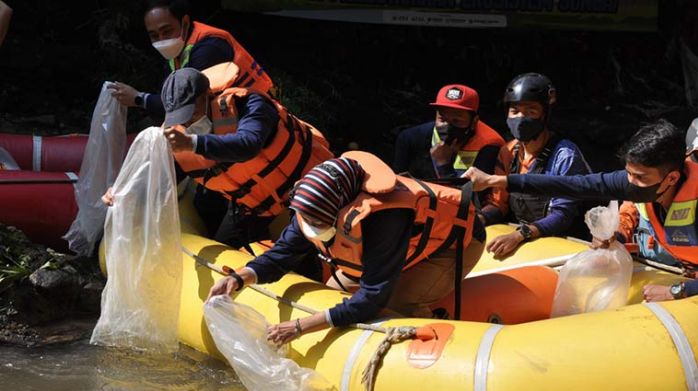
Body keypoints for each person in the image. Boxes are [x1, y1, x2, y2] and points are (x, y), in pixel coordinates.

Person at [207, 152, 486, 345]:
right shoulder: (310, 206)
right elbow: (281, 255)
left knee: (394, 304)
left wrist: (301, 326)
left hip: (453, 243)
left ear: (339, 210)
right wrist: (238, 278)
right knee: (332, 290)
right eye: (306, 219)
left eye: (317, 220)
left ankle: (432, 325)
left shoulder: (384, 219)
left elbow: (373, 297)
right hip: (398, 244)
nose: (309, 226)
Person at [465, 119, 698, 302]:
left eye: (639, 177)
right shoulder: (642, 184)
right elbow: (573, 184)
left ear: (671, 178)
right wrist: (496, 181)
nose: (630, 182)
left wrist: (678, 290)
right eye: (628, 173)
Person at [105, 64, 333, 252]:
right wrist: (125, 191)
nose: (186, 124)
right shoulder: (178, 133)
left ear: (207, 96)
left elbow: (248, 144)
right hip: (257, 205)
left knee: (318, 249)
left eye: (191, 113)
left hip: (310, 187)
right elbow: (164, 176)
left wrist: (194, 143)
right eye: (180, 118)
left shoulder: (250, 104)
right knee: (226, 249)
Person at [479, 73, 592, 258]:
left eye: (531, 111)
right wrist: (479, 218)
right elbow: (498, 204)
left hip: (566, 242)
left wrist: (519, 235)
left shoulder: (565, 155)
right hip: (528, 240)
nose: (521, 118)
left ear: (544, 114)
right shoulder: (508, 151)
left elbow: (562, 215)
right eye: (514, 111)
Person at [108, 0, 273, 122]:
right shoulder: (177, 50)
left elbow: (183, 105)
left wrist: (139, 98)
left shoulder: (209, 49)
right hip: (230, 115)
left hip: (257, 114)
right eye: (154, 35)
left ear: (185, 23)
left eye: (167, 31)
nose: (161, 39)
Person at [393, 84, 504, 183]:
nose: (447, 126)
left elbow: (473, 197)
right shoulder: (410, 138)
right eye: (442, 119)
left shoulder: (490, 145)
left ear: (474, 121)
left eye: (456, 121)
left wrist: (443, 165)